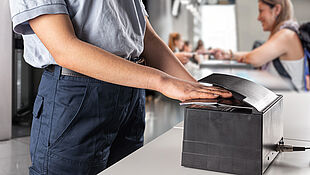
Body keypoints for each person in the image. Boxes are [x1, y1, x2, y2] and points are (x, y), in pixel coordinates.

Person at [9, 0, 232, 174]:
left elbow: (147, 39)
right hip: (77, 94)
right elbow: (65, 48)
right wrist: (162, 81)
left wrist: (199, 91)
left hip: (130, 91)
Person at [212, 0, 308, 91]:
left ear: (277, 9)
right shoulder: (286, 33)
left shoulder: (286, 35)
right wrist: (228, 54)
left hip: (292, 103)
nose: (258, 17)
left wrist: (233, 56)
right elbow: (255, 54)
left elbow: (253, 58)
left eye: (261, 11)